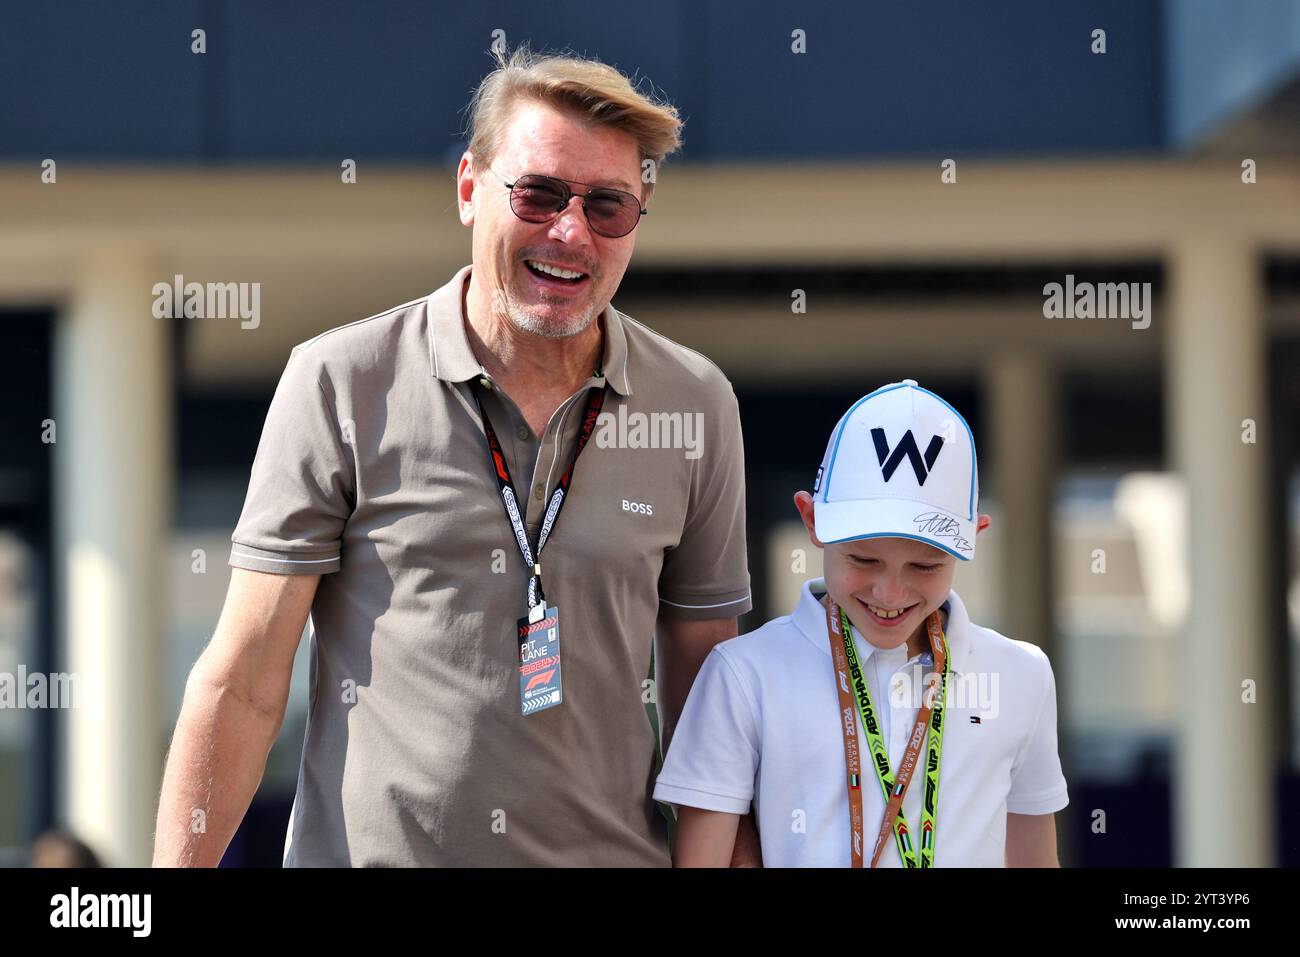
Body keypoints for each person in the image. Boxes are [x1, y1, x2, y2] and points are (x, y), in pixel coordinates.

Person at [153, 44, 757, 867]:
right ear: (470, 188)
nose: (571, 231)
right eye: (539, 194)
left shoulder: (696, 402)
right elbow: (245, 681)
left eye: (608, 206)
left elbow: (707, 703)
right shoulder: (341, 382)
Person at [655, 379, 1068, 867]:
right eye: (864, 560)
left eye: (925, 566)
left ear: (975, 537)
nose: (890, 593)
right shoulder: (744, 674)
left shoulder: (1022, 674)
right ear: (812, 522)